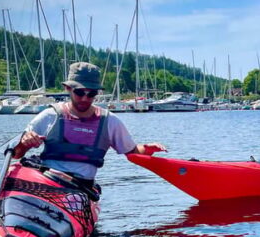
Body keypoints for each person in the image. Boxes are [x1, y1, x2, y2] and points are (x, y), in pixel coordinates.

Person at [13, 62, 165, 187]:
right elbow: (16, 154)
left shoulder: (110, 121)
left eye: (91, 93)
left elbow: (131, 151)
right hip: (45, 181)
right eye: (79, 92)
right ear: (68, 88)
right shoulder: (49, 116)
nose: (85, 98)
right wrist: (25, 143)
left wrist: (147, 149)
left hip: (81, 188)